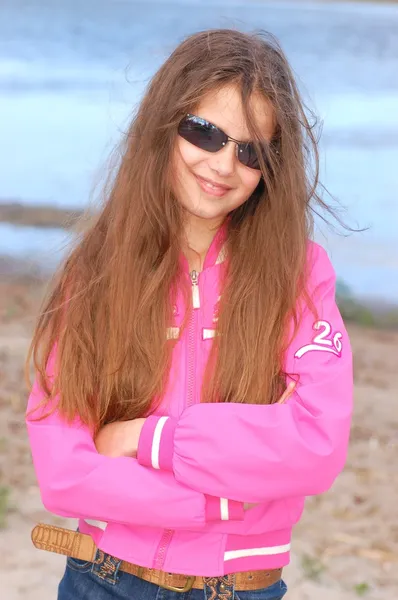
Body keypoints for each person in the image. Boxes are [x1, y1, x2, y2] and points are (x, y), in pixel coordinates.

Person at [26, 28, 353, 600]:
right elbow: (64, 469)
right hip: (100, 579)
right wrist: (219, 501)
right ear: (164, 126)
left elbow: (316, 443)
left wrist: (149, 439)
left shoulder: (301, 275)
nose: (224, 165)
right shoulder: (98, 268)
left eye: (251, 150)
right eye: (205, 132)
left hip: (239, 587)